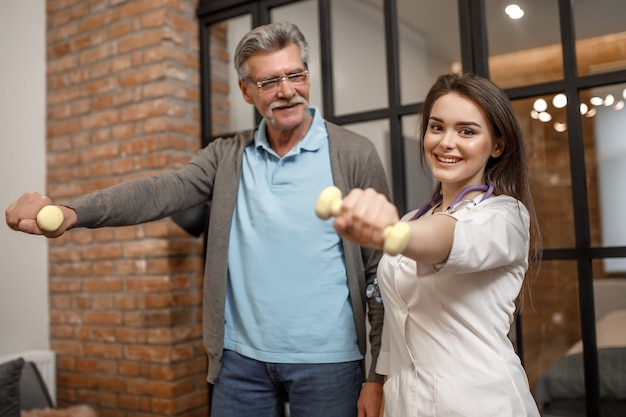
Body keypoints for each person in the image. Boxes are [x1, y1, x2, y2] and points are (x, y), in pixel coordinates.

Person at [5, 21, 388, 417]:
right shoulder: (227, 156)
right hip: (240, 363)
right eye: (270, 81)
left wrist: (377, 377)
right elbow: (160, 191)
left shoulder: (354, 154)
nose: (287, 90)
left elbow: (380, 271)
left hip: (330, 363)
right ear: (245, 90)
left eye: (295, 74)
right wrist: (72, 213)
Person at [330, 72, 542, 416]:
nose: (446, 141)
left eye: (467, 131)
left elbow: (449, 238)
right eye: (437, 127)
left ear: (498, 145)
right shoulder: (411, 219)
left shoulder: (506, 216)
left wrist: (387, 234)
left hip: (481, 403)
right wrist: (378, 382)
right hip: (403, 402)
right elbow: (398, 318)